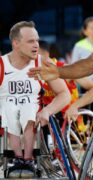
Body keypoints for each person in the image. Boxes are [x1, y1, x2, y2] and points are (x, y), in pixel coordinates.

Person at [0, 21, 70, 177]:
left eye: (37, 40)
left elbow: (65, 94)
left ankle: (27, 159)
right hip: (6, 115)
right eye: (31, 41)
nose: (36, 45)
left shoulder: (43, 64)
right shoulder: (2, 65)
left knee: (27, 111)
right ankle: (18, 158)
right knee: (9, 110)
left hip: (33, 116)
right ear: (16, 43)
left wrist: (48, 110)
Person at [39, 40, 93, 131]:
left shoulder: (65, 69)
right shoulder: (30, 72)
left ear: (45, 54)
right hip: (45, 119)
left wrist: (75, 106)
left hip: (69, 120)